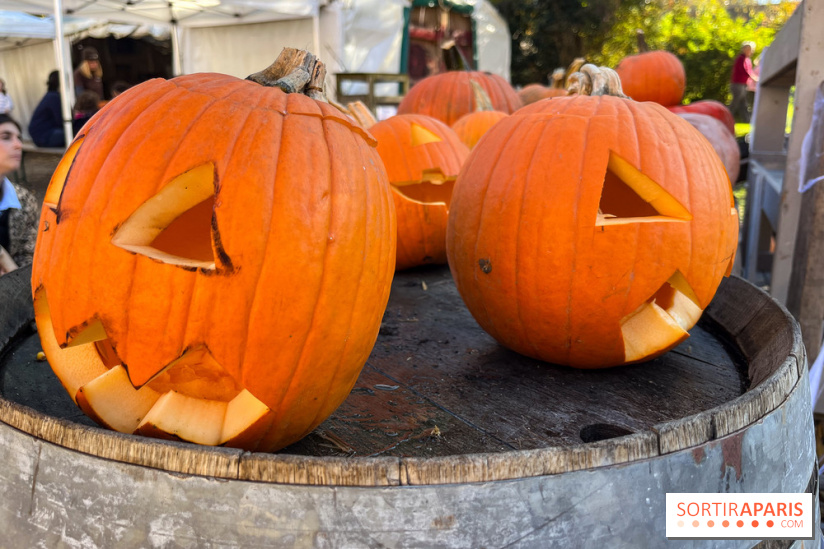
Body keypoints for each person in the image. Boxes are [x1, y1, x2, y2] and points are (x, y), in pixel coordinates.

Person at [0, 114, 38, 274]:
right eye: (6, 137)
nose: (18, 145)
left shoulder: (24, 200)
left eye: (19, 138)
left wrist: (15, 280)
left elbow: (27, 255)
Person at [28, 71, 65, 148]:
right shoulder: (54, 97)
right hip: (45, 136)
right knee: (77, 134)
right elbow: (60, 120)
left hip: (40, 136)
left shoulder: (50, 95)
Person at [730, 41, 759, 123]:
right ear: (744, 49)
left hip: (743, 84)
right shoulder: (741, 59)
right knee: (735, 103)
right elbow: (744, 70)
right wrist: (754, 78)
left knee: (744, 104)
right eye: (749, 49)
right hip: (738, 84)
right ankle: (726, 117)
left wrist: (754, 77)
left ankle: (747, 120)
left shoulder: (747, 59)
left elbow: (749, 71)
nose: (751, 51)